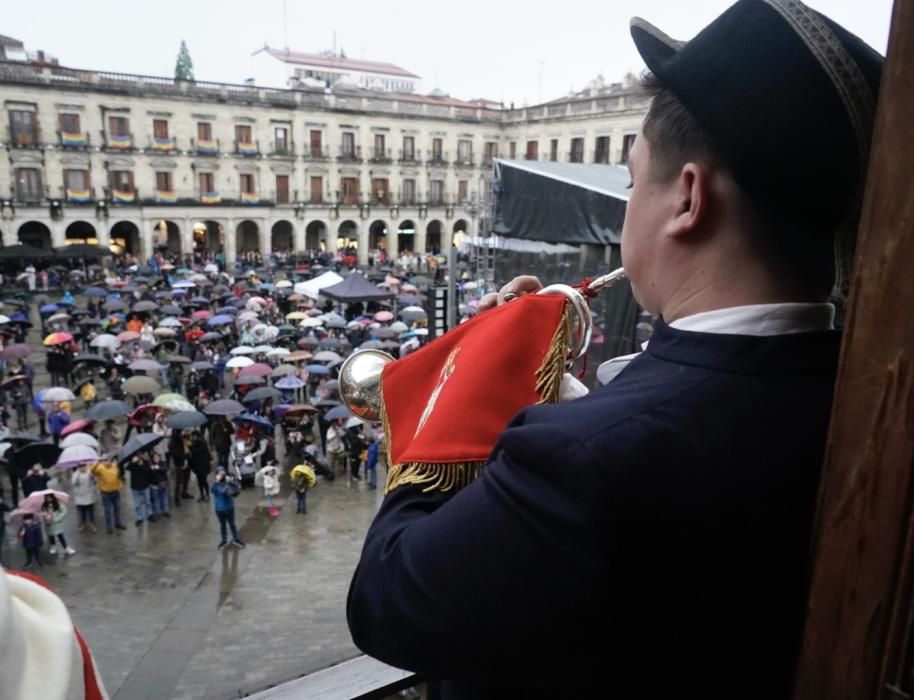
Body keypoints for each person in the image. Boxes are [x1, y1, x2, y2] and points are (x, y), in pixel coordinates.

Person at [346, 2, 884, 698]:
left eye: (633, 183)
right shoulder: (849, 389)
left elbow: (385, 600)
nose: (628, 203)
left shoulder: (580, 462)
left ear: (688, 199)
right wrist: (560, 394)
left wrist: (467, 383)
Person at [210, 468, 244, 549]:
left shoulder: (228, 483)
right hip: (220, 509)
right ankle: (224, 540)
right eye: (220, 474)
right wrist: (217, 482)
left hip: (229, 508)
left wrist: (232, 482)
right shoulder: (215, 485)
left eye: (223, 474)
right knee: (223, 525)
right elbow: (215, 490)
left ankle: (236, 539)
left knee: (232, 524)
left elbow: (236, 492)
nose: (222, 476)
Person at [91, 459, 127, 534]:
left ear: (111, 461)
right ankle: (109, 527)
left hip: (115, 492)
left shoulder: (115, 466)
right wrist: (97, 463)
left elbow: (119, 476)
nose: (107, 462)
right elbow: (92, 471)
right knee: (108, 510)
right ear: (103, 461)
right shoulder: (100, 468)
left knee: (117, 508)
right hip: (105, 493)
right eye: (106, 461)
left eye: (109, 461)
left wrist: (120, 485)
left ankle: (118, 523)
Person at [71, 463, 98, 533]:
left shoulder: (89, 472)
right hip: (80, 496)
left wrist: (92, 475)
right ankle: (83, 524)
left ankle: (92, 524)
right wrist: (78, 473)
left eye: (84, 465)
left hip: (89, 495)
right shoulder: (76, 473)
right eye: (81, 466)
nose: (83, 467)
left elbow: (95, 481)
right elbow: (74, 482)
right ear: (79, 467)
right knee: (82, 512)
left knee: (91, 511)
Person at [149, 452, 171, 519]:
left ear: (159, 457)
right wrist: (151, 469)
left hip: (163, 485)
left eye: (157, 457)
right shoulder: (151, 466)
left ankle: (165, 511)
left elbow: (165, 469)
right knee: (156, 500)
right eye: (154, 458)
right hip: (154, 486)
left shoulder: (163, 463)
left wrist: (158, 468)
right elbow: (149, 476)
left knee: (164, 498)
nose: (156, 458)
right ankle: (158, 512)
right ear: (152, 459)